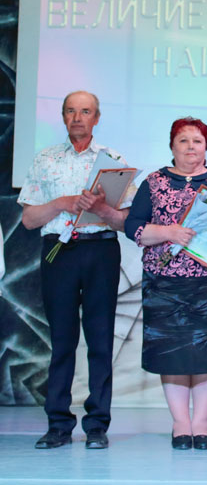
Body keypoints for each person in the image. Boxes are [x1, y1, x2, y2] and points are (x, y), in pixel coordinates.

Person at [124, 117, 207, 450]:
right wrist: (168, 232)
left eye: (197, 141)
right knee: (173, 354)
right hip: (165, 282)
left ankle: (202, 423)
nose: (190, 147)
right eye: (183, 140)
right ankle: (181, 423)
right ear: (172, 146)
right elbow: (133, 226)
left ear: (206, 146)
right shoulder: (153, 182)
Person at [19, 91, 131, 449]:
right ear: (63, 116)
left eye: (85, 111)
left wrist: (102, 210)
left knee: (100, 339)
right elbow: (29, 219)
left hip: (100, 250)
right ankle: (58, 424)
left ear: (96, 118)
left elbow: (125, 222)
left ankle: (97, 425)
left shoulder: (113, 161)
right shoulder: (45, 159)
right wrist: (61, 203)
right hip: (59, 252)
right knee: (62, 340)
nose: (78, 117)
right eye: (71, 111)